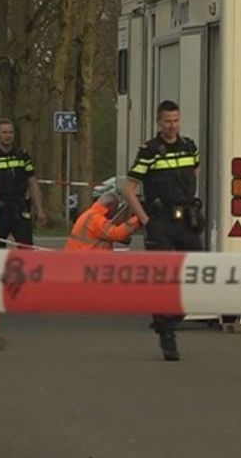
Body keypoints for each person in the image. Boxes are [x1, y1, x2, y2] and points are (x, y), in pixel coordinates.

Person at [122, 100, 202, 362]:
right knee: (163, 276)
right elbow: (128, 189)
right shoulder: (150, 151)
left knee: (197, 273)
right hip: (161, 220)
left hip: (186, 219)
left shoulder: (190, 147)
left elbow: (195, 172)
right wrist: (145, 220)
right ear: (159, 123)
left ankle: (168, 320)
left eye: (176, 120)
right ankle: (167, 335)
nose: (172, 126)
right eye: (167, 121)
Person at [0, 118, 46, 249]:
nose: (8, 136)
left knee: (26, 248)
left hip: (19, 209)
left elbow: (32, 183)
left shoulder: (22, 156)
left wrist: (39, 210)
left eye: (10, 132)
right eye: (4, 132)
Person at [64, 191, 141, 251]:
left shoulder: (90, 214)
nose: (115, 212)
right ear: (110, 206)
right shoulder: (96, 219)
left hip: (79, 259)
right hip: (86, 262)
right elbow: (116, 234)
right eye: (115, 208)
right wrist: (138, 219)